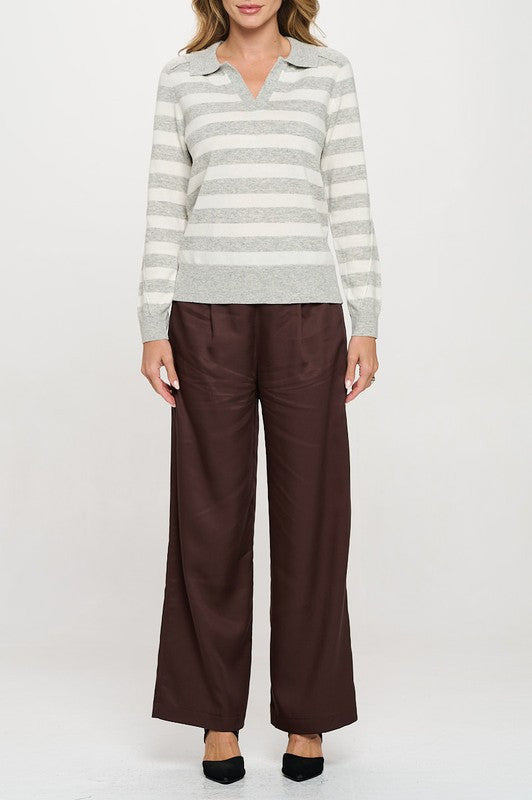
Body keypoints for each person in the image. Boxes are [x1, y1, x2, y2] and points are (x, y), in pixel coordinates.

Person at [137, 0, 381, 784]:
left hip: (308, 317)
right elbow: (164, 206)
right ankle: (217, 719)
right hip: (203, 317)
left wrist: (366, 318)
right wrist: (152, 323)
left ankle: (308, 717)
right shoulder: (183, 79)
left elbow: (349, 198)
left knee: (313, 517)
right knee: (208, 519)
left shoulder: (328, 75)